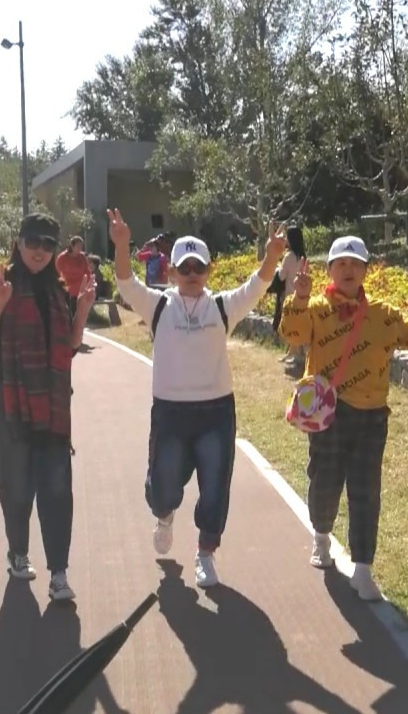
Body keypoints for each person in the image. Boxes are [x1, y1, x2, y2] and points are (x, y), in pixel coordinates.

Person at [108, 208, 286, 588]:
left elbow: (256, 286)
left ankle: (205, 552)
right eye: (184, 268)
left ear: (209, 271)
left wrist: (272, 256)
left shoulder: (221, 307)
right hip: (171, 413)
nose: (192, 274)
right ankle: (164, 515)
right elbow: (125, 282)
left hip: (215, 413)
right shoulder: (158, 306)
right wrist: (122, 245)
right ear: (171, 272)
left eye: (198, 267)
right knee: (163, 489)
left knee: (215, 486)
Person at [279, 235, 408, 601]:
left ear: (365, 270)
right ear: (330, 270)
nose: (348, 269)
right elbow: (292, 334)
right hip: (329, 414)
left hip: (372, 416)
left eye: (355, 264)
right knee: (325, 482)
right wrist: (299, 297)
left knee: (366, 491)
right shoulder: (316, 308)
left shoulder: (383, 314)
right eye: (341, 263)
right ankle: (321, 537)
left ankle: (362, 568)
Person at [0, 213, 95, 601]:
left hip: (53, 403)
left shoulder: (57, 290)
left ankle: (59, 572)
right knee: (18, 485)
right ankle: (19, 552)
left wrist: (83, 309)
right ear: (19, 243)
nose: (39, 251)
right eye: (33, 242)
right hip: (8, 402)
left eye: (48, 244)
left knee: (57, 486)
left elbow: (70, 346)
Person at [275, 224, 306, 366]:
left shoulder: (289, 256)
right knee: (298, 325)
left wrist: (278, 267)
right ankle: (293, 352)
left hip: (290, 296)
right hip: (302, 295)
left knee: (291, 326)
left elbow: (281, 276)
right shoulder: (303, 256)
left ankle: (295, 354)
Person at [55, 236, 91, 316]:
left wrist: (89, 284)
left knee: (77, 311)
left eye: (81, 246)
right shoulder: (63, 257)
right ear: (72, 245)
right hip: (67, 287)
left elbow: (87, 272)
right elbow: (56, 272)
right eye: (78, 246)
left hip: (79, 288)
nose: (80, 248)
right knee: (67, 310)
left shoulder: (82, 257)